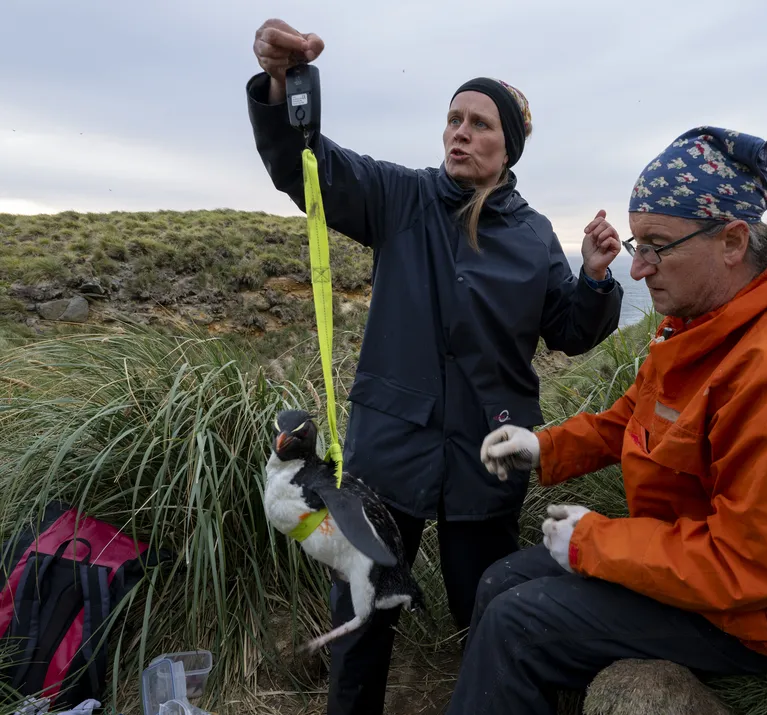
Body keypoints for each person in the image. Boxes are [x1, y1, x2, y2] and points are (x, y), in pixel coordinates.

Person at [245, 18, 624, 715]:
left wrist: (596, 279)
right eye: (453, 117)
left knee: (485, 614)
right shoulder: (400, 197)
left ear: (508, 146)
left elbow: (569, 330)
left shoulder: (535, 235)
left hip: (488, 456)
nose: (460, 131)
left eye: (480, 123)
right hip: (387, 454)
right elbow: (306, 167)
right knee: (362, 620)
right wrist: (279, 86)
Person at [450, 126, 767, 714]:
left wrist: (592, 541)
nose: (637, 270)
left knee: (517, 623)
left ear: (733, 240)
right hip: (686, 567)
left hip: (754, 618)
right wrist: (543, 446)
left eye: (656, 246)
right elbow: (626, 421)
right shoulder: (698, 327)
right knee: (499, 580)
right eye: (638, 246)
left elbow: (748, 568)